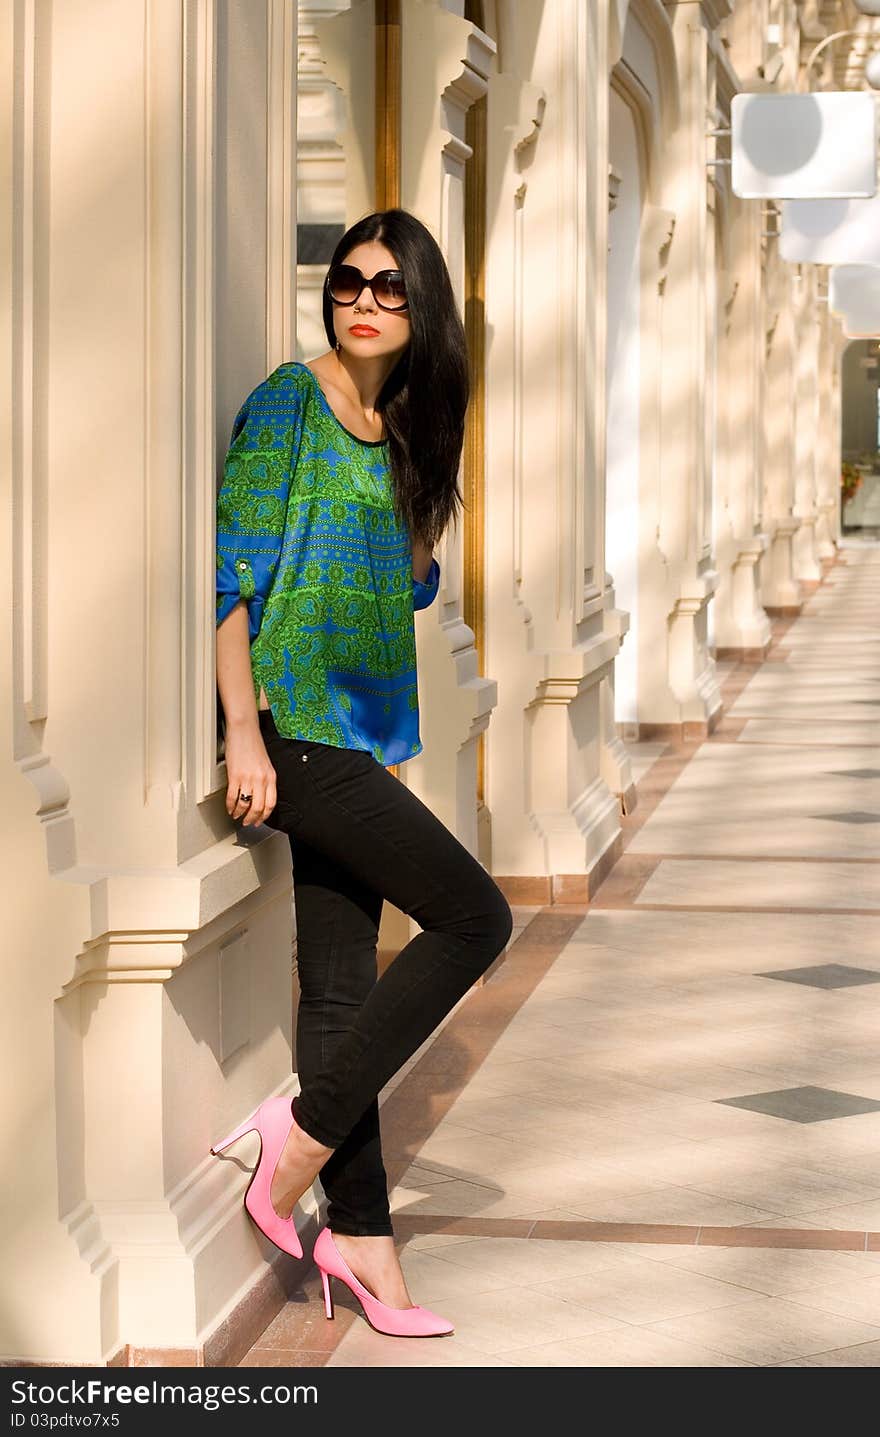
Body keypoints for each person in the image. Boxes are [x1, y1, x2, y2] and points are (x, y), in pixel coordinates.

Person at [210, 208, 513, 1338]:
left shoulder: (400, 432)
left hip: (364, 732)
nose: (365, 300)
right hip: (296, 733)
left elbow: (412, 588)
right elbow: (226, 576)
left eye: (391, 287)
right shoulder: (291, 402)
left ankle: (367, 1241)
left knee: (339, 987)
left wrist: (425, 456)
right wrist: (244, 730)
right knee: (475, 918)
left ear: (420, 303)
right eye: (349, 280)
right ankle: (289, 1146)